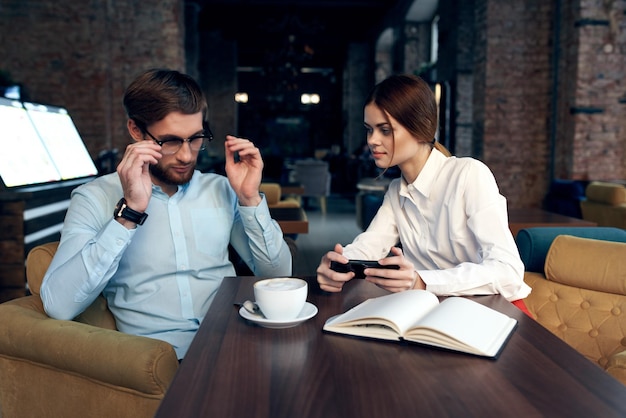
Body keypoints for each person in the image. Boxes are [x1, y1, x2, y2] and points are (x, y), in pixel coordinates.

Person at [40, 68, 293, 359]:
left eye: (196, 138)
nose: (186, 155)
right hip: (159, 362)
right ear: (136, 130)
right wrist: (130, 212)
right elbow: (58, 305)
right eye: (170, 141)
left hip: (235, 343)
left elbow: (278, 274)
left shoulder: (221, 189)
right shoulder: (94, 198)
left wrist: (249, 198)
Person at [316, 74, 531, 314]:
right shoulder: (397, 191)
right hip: (440, 313)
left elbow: (508, 271)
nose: (372, 141)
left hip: (498, 312)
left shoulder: (469, 175)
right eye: (369, 130)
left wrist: (422, 281)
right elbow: (370, 245)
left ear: (420, 128)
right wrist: (339, 263)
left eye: (385, 130)